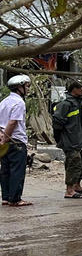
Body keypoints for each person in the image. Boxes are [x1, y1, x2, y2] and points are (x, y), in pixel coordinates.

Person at [52, 80, 82, 199]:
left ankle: (77, 185)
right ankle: (69, 190)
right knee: (74, 163)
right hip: (70, 140)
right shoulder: (65, 104)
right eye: (80, 88)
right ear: (73, 89)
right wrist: (60, 139)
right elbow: (57, 124)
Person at [0, 74, 32, 207]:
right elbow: (13, 122)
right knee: (17, 170)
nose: (28, 89)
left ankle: (6, 197)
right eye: (26, 86)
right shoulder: (19, 103)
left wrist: (2, 138)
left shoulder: (4, 101)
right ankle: (15, 198)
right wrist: (6, 138)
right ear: (20, 87)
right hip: (16, 141)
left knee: (5, 169)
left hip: (4, 139)